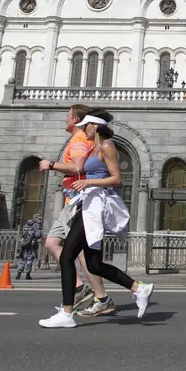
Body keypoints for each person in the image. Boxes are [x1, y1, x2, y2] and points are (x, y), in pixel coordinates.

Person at [39, 110, 153, 327]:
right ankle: (139, 288)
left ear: (95, 126)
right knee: (94, 265)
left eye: (85, 126)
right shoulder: (96, 148)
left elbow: (117, 179)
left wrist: (88, 183)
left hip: (94, 206)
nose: (83, 130)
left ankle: (66, 313)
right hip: (88, 202)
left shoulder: (107, 145)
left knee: (67, 257)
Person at [40, 104, 106, 312]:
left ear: (76, 120)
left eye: (68, 116)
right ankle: (85, 291)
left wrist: (51, 164)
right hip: (74, 198)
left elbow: (77, 167)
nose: (65, 119)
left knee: (74, 251)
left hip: (77, 198)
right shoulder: (81, 139)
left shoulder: (78, 140)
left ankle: (96, 296)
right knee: (58, 244)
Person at [16, 213, 43, 280]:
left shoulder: (27, 224)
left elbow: (23, 234)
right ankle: (27, 275)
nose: (39, 220)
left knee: (22, 259)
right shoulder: (37, 225)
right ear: (36, 218)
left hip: (24, 244)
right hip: (31, 245)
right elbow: (37, 235)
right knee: (29, 259)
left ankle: (18, 274)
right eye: (39, 218)